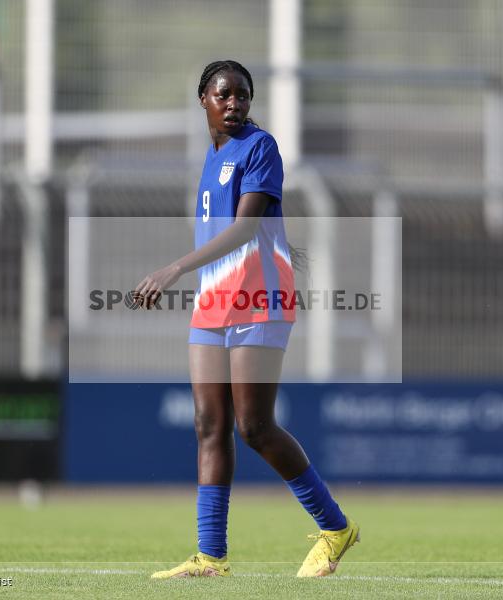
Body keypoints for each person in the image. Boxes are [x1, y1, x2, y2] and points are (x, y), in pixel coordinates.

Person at [133, 60, 359, 579]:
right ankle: (211, 556)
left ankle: (336, 527)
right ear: (203, 101)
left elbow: (242, 230)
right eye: (224, 94)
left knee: (253, 427)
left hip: (260, 299)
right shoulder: (213, 157)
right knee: (209, 424)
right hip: (215, 301)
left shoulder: (260, 148)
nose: (234, 103)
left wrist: (173, 268)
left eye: (242, 95)